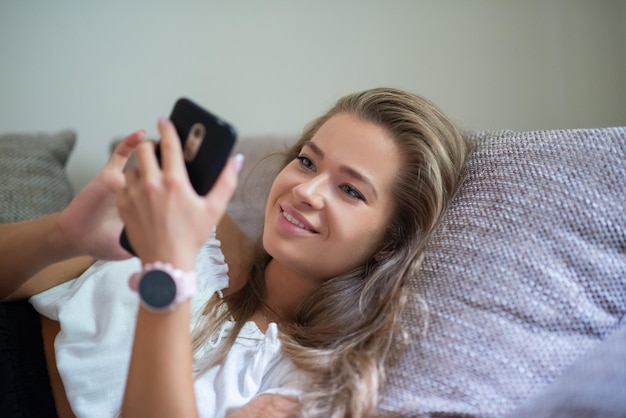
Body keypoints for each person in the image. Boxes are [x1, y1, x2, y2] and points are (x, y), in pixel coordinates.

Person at [0, 87, 471, 417]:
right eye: (307, 161)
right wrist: (65, 233)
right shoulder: (199, 232)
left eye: (350, 190)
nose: (307, 190)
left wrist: (168, 270)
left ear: (390, 241)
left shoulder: (309, 382)